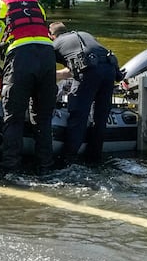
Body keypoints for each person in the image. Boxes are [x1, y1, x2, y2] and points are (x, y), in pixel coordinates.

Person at [0, 0, 57, 176]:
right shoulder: (36, 2)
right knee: (43, 119)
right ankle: (46, 168)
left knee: (13, 117)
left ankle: (11, 170)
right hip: (47, 55)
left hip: (20, 57)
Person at [50, 21, 122, 165]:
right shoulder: (84, 34)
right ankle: (94, 159)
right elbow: (79, 65)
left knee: (78, 116)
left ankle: (68, 160)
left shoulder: (56, 44)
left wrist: (51, 75)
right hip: (110, 70)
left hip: (89, 72)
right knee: (100, 117)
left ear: (51, 35)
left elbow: (48, 68)